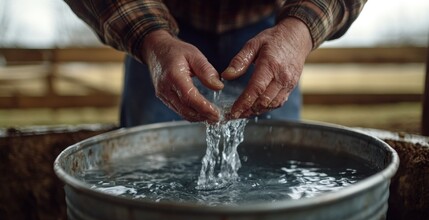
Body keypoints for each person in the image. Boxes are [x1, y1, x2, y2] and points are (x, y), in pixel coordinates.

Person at [64, 0, 367, 127]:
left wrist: (300, 30)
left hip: (271, 31)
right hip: (161, 28)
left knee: (274, 171)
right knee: (143, 168)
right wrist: (149, 37)